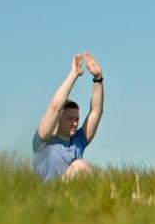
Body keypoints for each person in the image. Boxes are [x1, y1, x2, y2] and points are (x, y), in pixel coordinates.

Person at [33, 52, 104, 182]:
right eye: (70, 118)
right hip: (48, 196)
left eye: (77, 119)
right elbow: (55, 107)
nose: (75, 123)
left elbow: (96, 111)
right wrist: (74, 74)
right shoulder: (43, 140)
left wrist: (98, 78)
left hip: (72, 196)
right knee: (80, 166)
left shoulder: (78, 141)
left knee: (91, 169)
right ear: (58, 118)